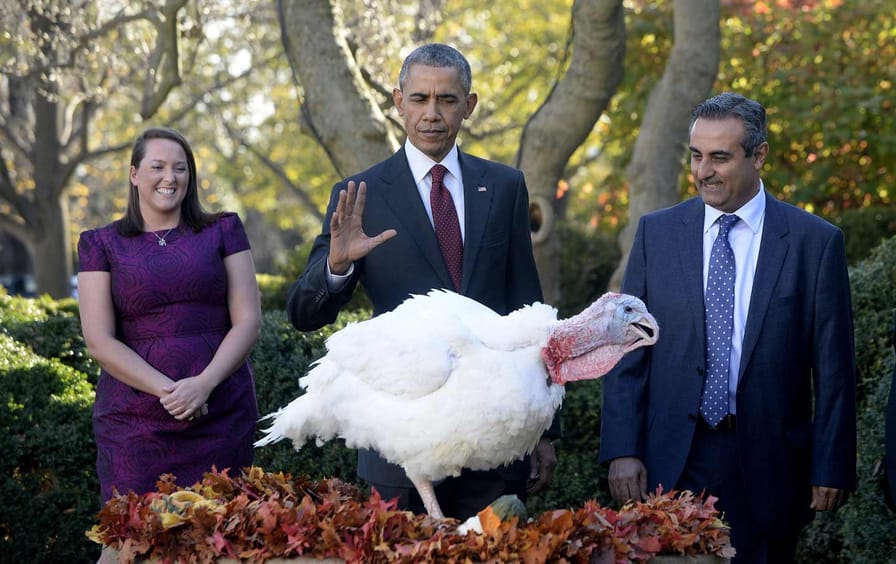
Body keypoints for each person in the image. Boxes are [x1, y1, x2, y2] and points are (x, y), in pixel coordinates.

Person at [286, 43, 557, 520]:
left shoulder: (504, 187)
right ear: (397, 101)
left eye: (447, 100)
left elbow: (526, 309)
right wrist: (338, 266)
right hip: (403, 451)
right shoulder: (360, 194)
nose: (432, 113)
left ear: (468, 106)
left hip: (491, 439)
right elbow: (305, 314)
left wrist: (544, 431)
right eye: (419, 99)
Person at [599, 92, 856, 562]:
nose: (702, 171)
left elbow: (835, 370)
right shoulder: (657, 233)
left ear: (759, 156)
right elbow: (628, 349)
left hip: (770, 464)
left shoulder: (814, 243)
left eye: (720, 157)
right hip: (670, 460)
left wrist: (831, 466)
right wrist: (622, 449)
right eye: (696, 156)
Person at [78, 127, 261, 503]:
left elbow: (248, 320)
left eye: (180, 168)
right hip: (134, 421)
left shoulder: (224, 230)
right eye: (157, 166)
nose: (170, 177)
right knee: (134, 539)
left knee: (222, 537)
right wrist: (173, 393)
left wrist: (203, 385)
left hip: (220, 409)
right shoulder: (100, 244)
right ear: (134, 174)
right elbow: (98, 340)